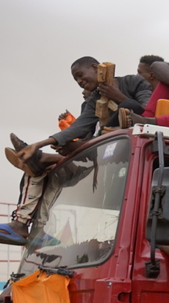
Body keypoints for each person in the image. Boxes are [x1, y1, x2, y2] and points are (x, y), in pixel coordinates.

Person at [3, 57, 152, 245]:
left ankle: (44, 158)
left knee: (128, 107)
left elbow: (148, 113)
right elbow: (80, 127)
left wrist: (116, 95)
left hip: (123, 156)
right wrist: (40, 143)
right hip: (96, 155)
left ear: (95, 68)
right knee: (41, 173)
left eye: (80, 76)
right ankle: (27, 226)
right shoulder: (94, 99)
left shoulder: (132, 82)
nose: (80, 82)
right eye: (76, 80)